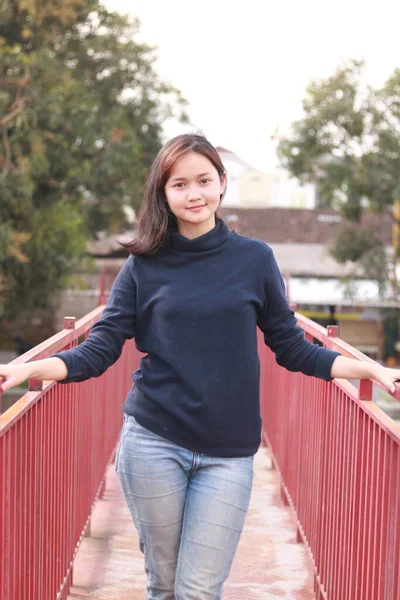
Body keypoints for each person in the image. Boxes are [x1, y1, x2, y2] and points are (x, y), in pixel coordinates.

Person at [1, 133, 400, 600]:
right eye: (179, 184)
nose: (194, 194)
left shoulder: (255, 259)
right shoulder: (143, 266)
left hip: (228, 453)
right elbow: (99, 349)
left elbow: (292, 347)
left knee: (198, 590)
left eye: (204, 180)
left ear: (222, 183)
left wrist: (373, 371)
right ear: (163, 194)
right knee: (164, 585)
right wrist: (25, 370)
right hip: (153, 442)